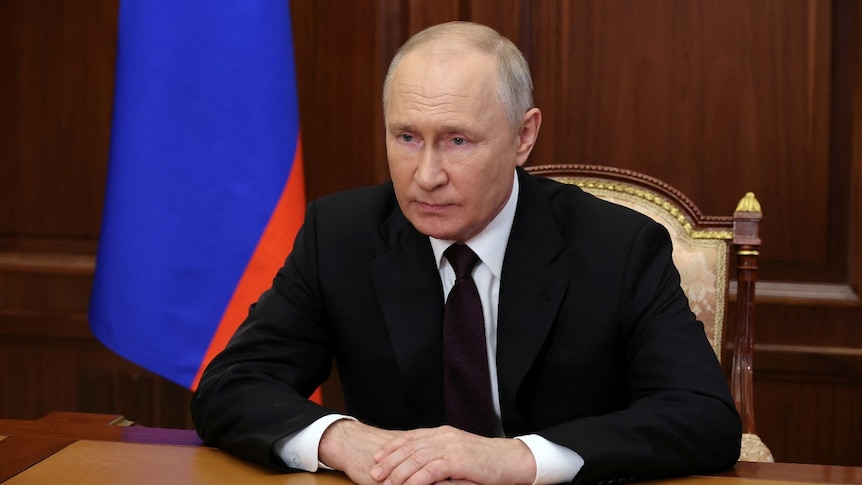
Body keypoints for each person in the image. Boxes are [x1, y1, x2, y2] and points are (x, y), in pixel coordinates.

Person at [192, 21, 741, 485]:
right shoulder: (340, 236)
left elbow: (703, 417)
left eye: (458, 140)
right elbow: (230, 387)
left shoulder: (617, 246)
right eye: (406, 137)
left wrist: (518, 457)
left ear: (524, 136)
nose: (426, 176)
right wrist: (339, 438)